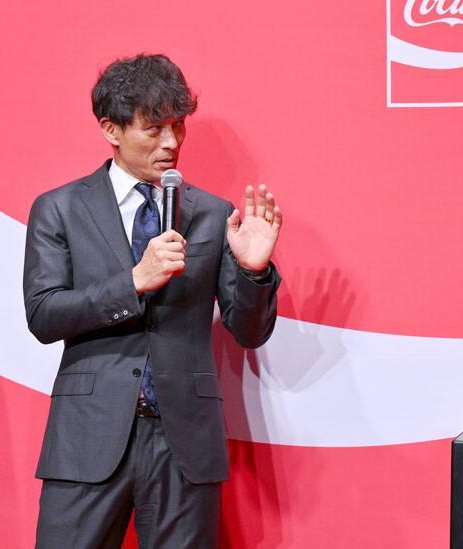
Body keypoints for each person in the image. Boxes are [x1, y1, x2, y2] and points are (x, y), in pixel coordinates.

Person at [23, 53, 282, 548]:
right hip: (88, 437)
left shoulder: (213, 214)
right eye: (154, 129)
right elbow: (44, 314)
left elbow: (250, 332)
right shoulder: (60, 208)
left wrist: (254, 271)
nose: (172, 143)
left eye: (178, 126)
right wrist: (133, 281)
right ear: (110, 129)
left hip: (184, 443)